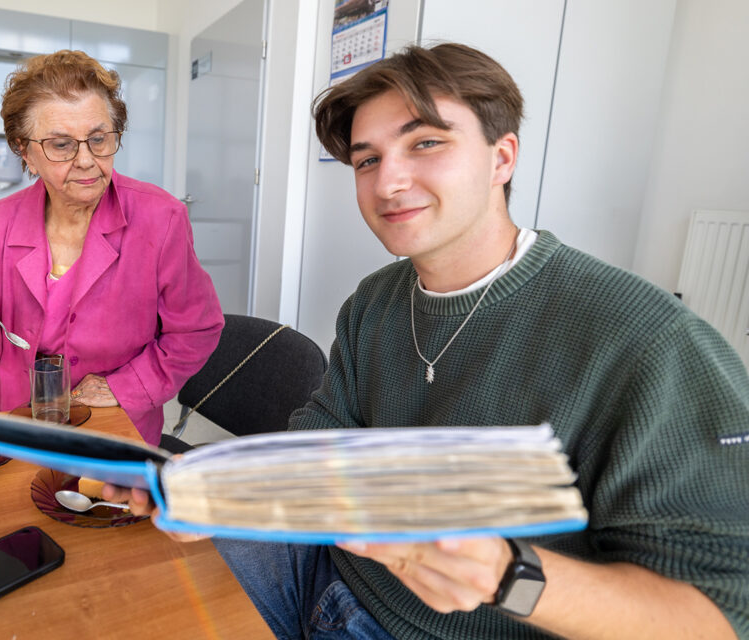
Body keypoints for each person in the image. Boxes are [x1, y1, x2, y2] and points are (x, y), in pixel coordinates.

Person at [107, 43, 748, 638]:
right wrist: (214, 489)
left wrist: (509, 578)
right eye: (367, 160)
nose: (387, 183)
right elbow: (320, 443)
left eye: (426, 143)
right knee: (115, 588)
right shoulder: (377, 301)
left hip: (440, 627)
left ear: (503, 158)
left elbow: (720, 616)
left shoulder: (647, 341)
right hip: (320, 568)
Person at [0, 50, 223, 446]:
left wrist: (127, 385)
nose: (86, 161)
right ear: (25, 151)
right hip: (14, 420)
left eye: (98, 139)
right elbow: (0, 341)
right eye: (61, 145)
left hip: (113, 426)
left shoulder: (161, 219)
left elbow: (197, 329)